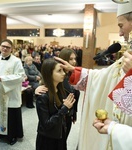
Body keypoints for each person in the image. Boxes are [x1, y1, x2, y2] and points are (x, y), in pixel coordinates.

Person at [54, 1, 132, 149]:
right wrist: (75, 71)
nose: (120, 33)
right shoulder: (127, 57)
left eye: (121, 26)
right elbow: (103, 77)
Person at [35, 48, 80, 139]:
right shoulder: (58, 80)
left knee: (63, 139)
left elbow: (75, 96)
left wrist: (73, 112)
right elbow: (46, 85)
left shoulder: (72, 75)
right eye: (70, 59)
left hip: (66, 114)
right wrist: (36, 90)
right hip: (59, 116)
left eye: (75, 59)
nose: (73, 62)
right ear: (63, 59)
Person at [0, 39, 25, 145]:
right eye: (3, 46)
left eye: (7, 47)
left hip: (11, 93)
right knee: (1, 112)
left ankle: (12, 135)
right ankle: (0, 133)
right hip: (0, 92)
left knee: (11, 114)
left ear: (11, 49)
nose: (4, 48)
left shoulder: (16, 61)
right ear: (0, 47)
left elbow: (20, 76)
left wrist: (3, 79)